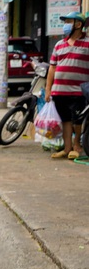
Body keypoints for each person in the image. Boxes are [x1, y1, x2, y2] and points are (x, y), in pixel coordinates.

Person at [44, 11, 89, 160]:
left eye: (69, 21)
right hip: (59, 91)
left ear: (78, 24)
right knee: (65, 120)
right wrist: (48, 89)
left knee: (77, 120)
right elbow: (52, 68)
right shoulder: (59, 44)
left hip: (79, 91)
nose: (65, 25)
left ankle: (77, 146)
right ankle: (67, 148)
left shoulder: (88, 43)